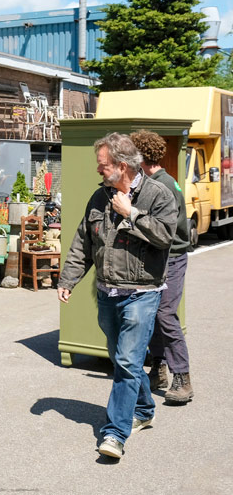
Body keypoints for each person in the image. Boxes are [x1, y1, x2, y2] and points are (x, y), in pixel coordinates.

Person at [58, 132, 177, 460]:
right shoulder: (99, 198)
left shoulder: (157, 195)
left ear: (121, 166)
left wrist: (132, 214)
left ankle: (114, 434)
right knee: (123, 359)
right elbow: (84, 240)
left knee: (126, 361)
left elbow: (168, 237)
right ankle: (145, 408)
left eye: (103, 165)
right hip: (107, 293)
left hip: (142, 293)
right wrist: (68, 279)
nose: (99, 171)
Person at [129, 129, 193, 404]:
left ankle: (183, 377)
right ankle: (159, 367)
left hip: (172, 257)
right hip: (159, 256)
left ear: (140, 157)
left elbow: (161, 229)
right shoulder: (157, 180)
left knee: (165, 315)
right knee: (153, 313)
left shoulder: (162, 185)